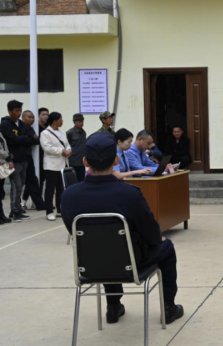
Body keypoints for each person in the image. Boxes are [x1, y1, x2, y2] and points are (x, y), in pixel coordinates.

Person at [61, 133, 184, 325]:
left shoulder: (69, 195)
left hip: (91, 264)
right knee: (166, 247)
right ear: (116, 160)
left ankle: (113, 306)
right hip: (133, 262)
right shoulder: (129, 194)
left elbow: (73, 231)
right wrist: (158, 239)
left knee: (105, 246)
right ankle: (169, 307)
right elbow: (151, 234)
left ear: (85, 162)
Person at [0, 100, 32, 222]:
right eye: (16, 111)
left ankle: (18, 209)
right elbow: (11, 140)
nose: (19, 113)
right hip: (12, 160)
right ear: (9, 111)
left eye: (20, 110)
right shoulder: (5, 124)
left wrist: (21, 138)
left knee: (21, 186)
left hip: (23, 158)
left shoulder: (22, 124)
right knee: (16, 186)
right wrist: (23, 138)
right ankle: (14, 212)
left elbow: (30, 139)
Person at [40, 112, 72, 221]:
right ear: (54, 121)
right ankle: (49, 211)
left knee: (61, 189)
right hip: (51, 165)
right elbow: (47, 148)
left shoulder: (62, 131)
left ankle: (59, 209)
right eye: (60, 119)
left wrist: (68, 150)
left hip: (63, 164)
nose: (62, 121)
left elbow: (67, 144)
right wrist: (62, 151)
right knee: (50, 189)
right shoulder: (45, 133)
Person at [20, 110, 46, 211]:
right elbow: (23, 140)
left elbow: (37, 140)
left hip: (28, 156)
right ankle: (21, 204)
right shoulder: (20, 127)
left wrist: (30, 138)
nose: (32, 119)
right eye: (29, 117)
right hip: (21, 157)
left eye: (33, 117)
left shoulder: (30, 128)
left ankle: (39, 203)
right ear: (23, 118)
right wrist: (30, 138)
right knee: (21, 183)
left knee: (32, 180)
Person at [66, 114, 87, 182]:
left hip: (81, 162)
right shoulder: (70, 132)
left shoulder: (83, 132)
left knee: (81, 180)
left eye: (82, 121)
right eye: (79, 122)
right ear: (74, 122)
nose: (81, 123)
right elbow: (66, 145)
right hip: (73, 161)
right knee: (73, 180)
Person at [0, 131, 14, 224]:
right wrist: (8, 155)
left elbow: (5, 146)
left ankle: (1, 215)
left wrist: (8, 158)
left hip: (2, 164)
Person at [38, 108, 49, 192]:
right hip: (37, 155)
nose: (46, 116)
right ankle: (24, 198)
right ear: (39, 116)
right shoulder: (35, 127)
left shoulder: (49, 127)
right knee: (37, 178)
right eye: (43, 114)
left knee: (44, 177)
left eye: (47, 115)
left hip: (47, 155)